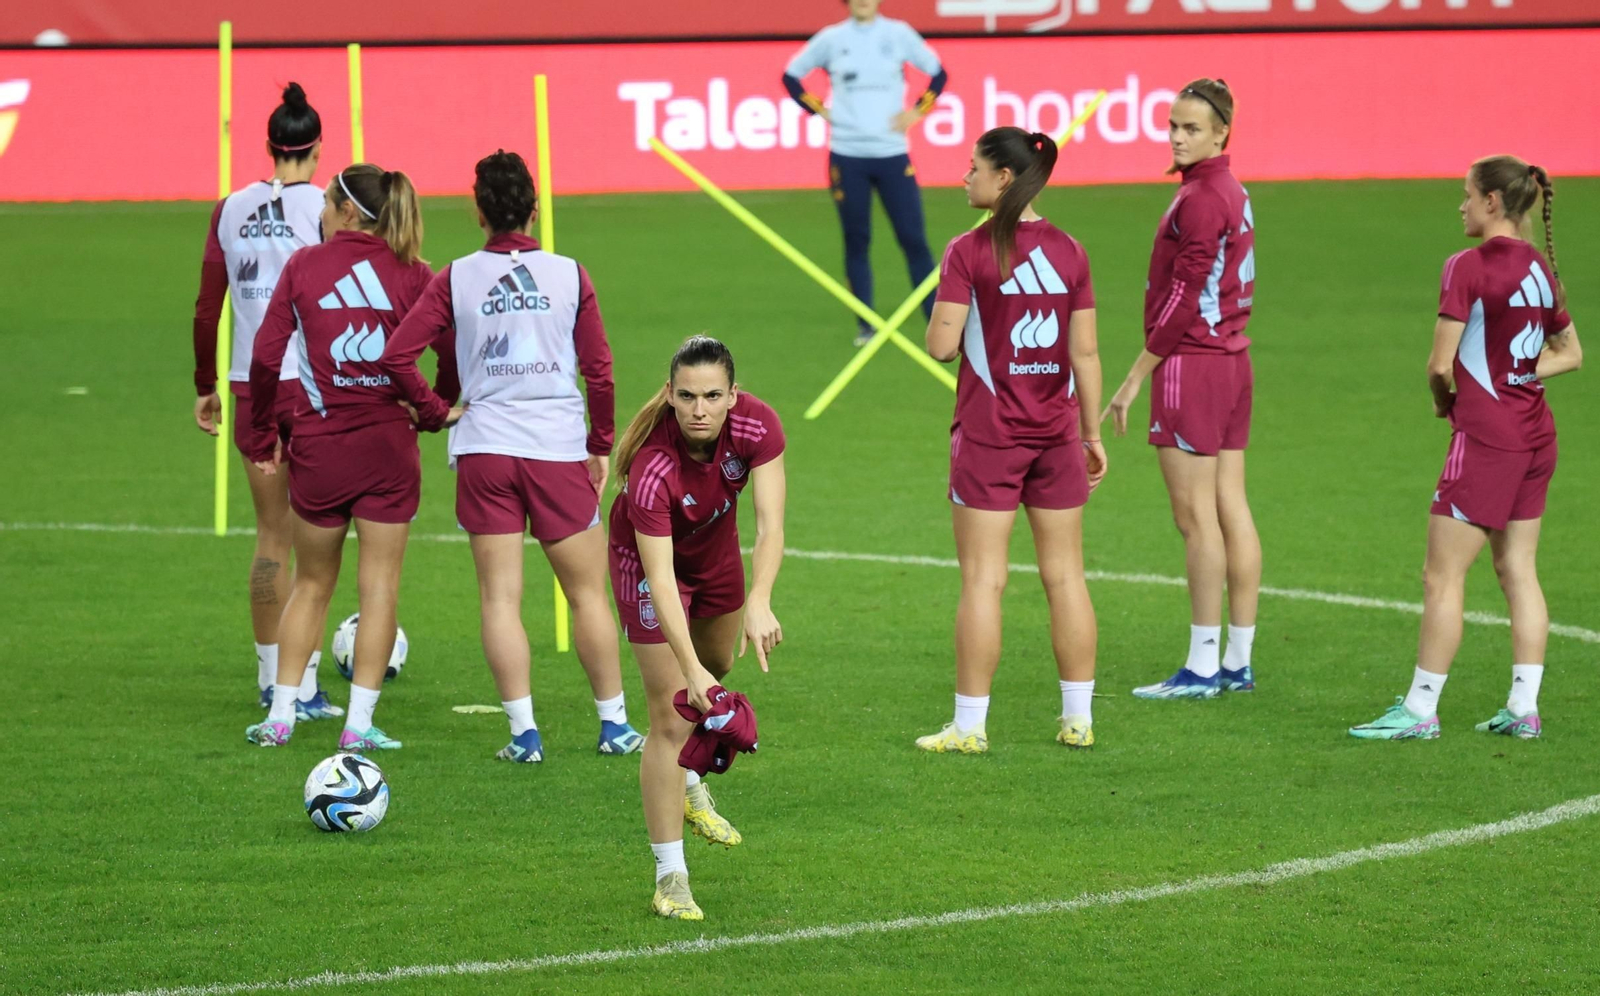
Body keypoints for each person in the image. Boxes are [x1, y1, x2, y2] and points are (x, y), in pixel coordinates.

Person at [381, 150, 644, 762]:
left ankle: (524, 735)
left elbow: (397, 355)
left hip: (485, 451)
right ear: (534, 207)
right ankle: (614, 726)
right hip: (556, 449)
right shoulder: (569, 273)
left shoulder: (454, 277)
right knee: (587, 596)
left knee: (500, 598)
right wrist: (600, 444)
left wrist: (434, 410)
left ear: (478, 211)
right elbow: (599, 371)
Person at [1350, 157, 1581, 741]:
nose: (1461, 206)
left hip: (1485, 438)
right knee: (1517, 569)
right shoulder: (1539, 267)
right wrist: (1519, 374)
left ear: (1493, 203)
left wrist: (1441, 399)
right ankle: (1524, 708)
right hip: (1535, 434)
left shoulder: (1466, 267)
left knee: (1441, 576)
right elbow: (1570, 353)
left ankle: (1420, 709)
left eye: (1467, 196)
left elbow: (1439, 364)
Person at [243, 163, 454, 752]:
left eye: (327, 202)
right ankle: (358, 725)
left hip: (320, 448)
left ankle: (280, 716)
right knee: (379, 588)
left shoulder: (305, 266)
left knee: (311, 582)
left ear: (342, 209)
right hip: (389, 449)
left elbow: (265, 357)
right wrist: (436, 407)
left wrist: (264, 432)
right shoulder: (415, 274)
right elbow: (449, 347)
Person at [915, 127, 1105, 754]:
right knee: (1066, 576)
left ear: (1003, 178)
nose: (961, 176)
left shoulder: (968, 250)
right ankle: (1078, 718)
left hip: (989, 438)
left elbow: (942, 346)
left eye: (972, 167)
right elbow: (1085, 351)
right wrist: (1092, 431)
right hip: (1057, 434)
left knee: (982, 581)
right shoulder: (1071, 251)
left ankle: (969, 726)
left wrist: (952, 314)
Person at [608, 336, 786, 920]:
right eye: (687, 396)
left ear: (734, 395)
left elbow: (771, 524)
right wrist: (689, 676)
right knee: (672, 713)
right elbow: (661, 582)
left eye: (713, 395)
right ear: (670, 395)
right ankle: (670, 877)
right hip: (650, 566)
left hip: (716, 558)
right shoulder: (652, 468)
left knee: (719, 668)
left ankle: (688, 785)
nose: (700, 408)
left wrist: (760, 599)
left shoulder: (758, 428)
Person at [1102, 78, 1262, 701]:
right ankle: (1237, 660)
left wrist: (1134, 377)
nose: (1177, 136)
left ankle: (1200, 667)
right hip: (1233, 361)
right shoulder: (1231, 190)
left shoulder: (1199, 198)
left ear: (1222, 131)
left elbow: (1183, 294)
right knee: (1231, 509)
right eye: (1172, 125)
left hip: (1192, 365)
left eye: (1191, 128)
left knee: (1196, 520)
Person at [190, 82, 340, 720]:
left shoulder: (230, 207)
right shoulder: (326, 209)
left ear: (271, 146)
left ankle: (266, 679)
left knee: (270, 538)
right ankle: (300, 686)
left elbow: (207, 305)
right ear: (315, 147)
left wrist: (205, 384)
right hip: (308, 387)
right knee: (319, 542)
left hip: (250, 384)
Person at [782, 0, 949, 346]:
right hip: (847, 155)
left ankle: (937, 320)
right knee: (857, 241)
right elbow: (791, 76)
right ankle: (866, 325)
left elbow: (939, 73)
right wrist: (818, 110)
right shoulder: (832, 38)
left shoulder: (898, 34)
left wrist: (919, 111)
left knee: (913, 239)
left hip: (892, 154)